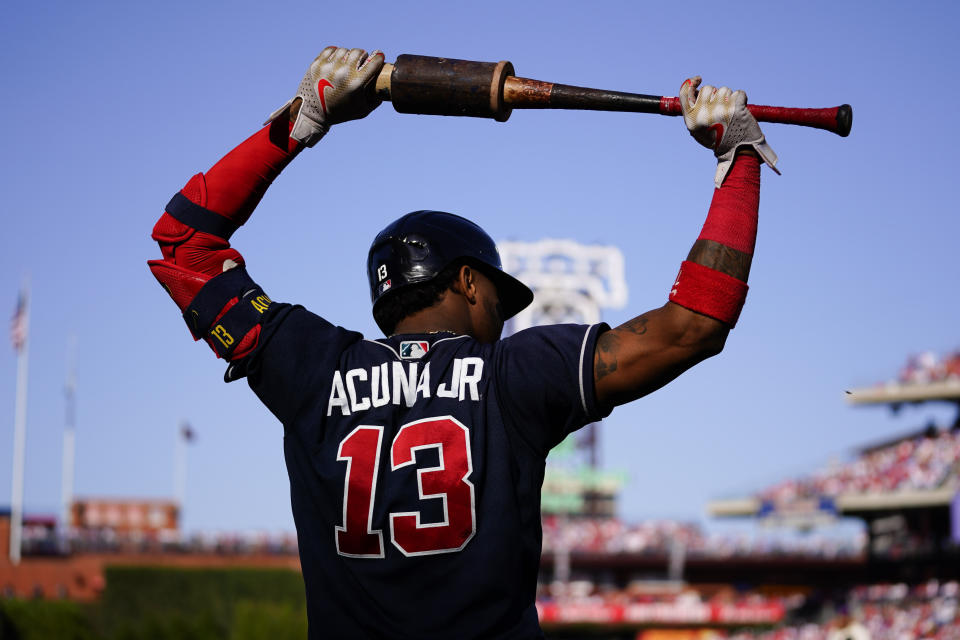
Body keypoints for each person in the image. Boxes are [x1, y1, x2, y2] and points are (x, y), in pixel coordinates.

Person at [148, 46, 777, 639]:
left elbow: (184, 240)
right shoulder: (515, 375)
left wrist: (304, 118)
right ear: (470, 282)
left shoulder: (308, 365)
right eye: (500, 301)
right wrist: (738, 162)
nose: (502, 317)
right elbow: (695, 324)